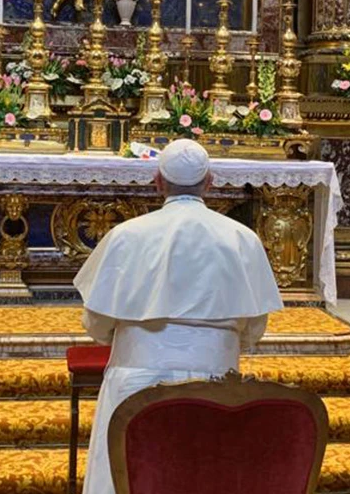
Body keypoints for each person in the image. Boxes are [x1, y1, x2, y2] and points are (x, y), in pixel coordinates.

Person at [74, 139, 283, 494]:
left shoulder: (126, 236)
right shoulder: (241, 238)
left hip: (135, 382)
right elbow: (253, 328)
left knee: (131, 474)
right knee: (205, 473)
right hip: (219, 382)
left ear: (157, 181)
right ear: (210, 182)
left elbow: (98, 323)